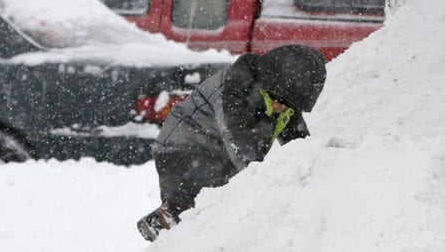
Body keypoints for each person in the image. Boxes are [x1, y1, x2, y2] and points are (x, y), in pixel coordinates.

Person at [136, 44, 327, 241]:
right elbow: (241, 146)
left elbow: (300, 143)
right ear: (267, 81)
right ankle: (171, 227)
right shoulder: (234, 90)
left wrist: (314, 166)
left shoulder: (283, 101)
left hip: (217, 154)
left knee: (215, 204)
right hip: (182, 150)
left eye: (287, 103)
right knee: (207, 212)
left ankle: (163, 222)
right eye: (276, 99)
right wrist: (259, 178)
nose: (279, 106)